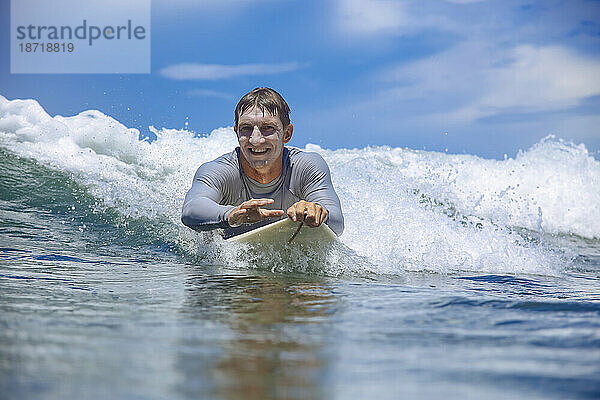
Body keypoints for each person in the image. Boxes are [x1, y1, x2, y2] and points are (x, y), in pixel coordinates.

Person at [181, 87, 344, 239]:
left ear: (287, 134)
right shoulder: (219, 170)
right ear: (236, 132)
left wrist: (317, 212)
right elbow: (191, 209)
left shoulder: (305, 167)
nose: (255, 139)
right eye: (246, 128)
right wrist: (233, 214)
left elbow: (337, 223)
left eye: (268, 128)